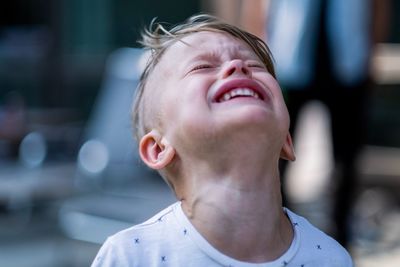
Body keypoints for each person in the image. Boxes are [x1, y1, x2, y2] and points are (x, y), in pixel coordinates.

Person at [91, 14, 353, 266]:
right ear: (159, 148)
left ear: (287, 139)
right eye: (202, 66)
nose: (237, 67)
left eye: (253, 66)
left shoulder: (331, 259)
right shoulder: (131, 257)